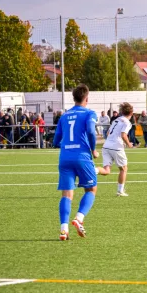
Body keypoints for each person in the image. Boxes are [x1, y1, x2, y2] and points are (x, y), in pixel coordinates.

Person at [52, 84, 99, 241]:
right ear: (86, 98)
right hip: (82, 157)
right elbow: (91, 131)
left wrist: (65, 146)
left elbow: (56, 139)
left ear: (74, 98)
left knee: (67, 194)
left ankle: (63, 229)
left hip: (64, 157)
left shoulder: (64, 116)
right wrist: (92, 149)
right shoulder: (89, 113)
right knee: (91, 189)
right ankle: (79, 218)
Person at [96, 102, 133, 197]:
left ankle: (93, 170)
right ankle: (120, 191)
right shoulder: (127, 122)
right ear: (131, 113)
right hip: (116, 147)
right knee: (123, 168)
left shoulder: (116, 120)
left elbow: (108, 133)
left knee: (106, 171)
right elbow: (123, 134)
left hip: (106, 146)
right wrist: (128, 144)